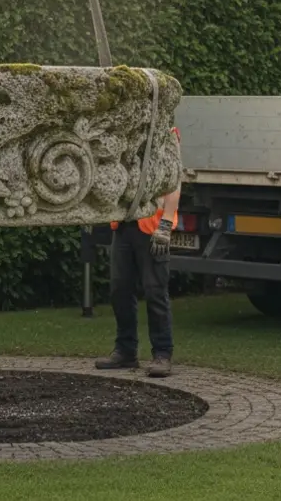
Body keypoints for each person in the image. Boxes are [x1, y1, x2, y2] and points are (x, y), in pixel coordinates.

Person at [96, 128, 181, 378]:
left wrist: (166, 222)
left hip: (153, 227)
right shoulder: (127, 131)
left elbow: (174, 180)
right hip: (124, 224)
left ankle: (162, 354)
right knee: (120, 290)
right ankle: (125, 351)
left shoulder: (167, 132)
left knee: (155, 292)